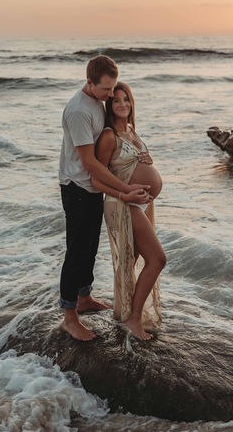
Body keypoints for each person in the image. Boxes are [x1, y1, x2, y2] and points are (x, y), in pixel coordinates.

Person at [59, 56, 150, 342]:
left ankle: (84, 297)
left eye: (113, 90)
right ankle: (69, 317)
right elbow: (90, 163)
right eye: (106, 90)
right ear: (90, 83)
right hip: (78, 188)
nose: (111, 96)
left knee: (90, 247)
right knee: (76, 250)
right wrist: (124, 191)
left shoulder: (97, 100)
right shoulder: (78, 111)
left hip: (94, 189)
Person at [91, 82, 166, 340]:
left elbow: (132, 162)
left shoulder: (133, 132)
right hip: (123, 203)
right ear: (109, 106)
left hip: (141, 203)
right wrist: (125, 192)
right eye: (116, 101)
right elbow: (96, 179)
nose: (122, 104)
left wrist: (147, 160)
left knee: (129, 262)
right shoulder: (109, 136)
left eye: (126, 99)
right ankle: (134, 318)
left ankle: (122, 313)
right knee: (157, 259)